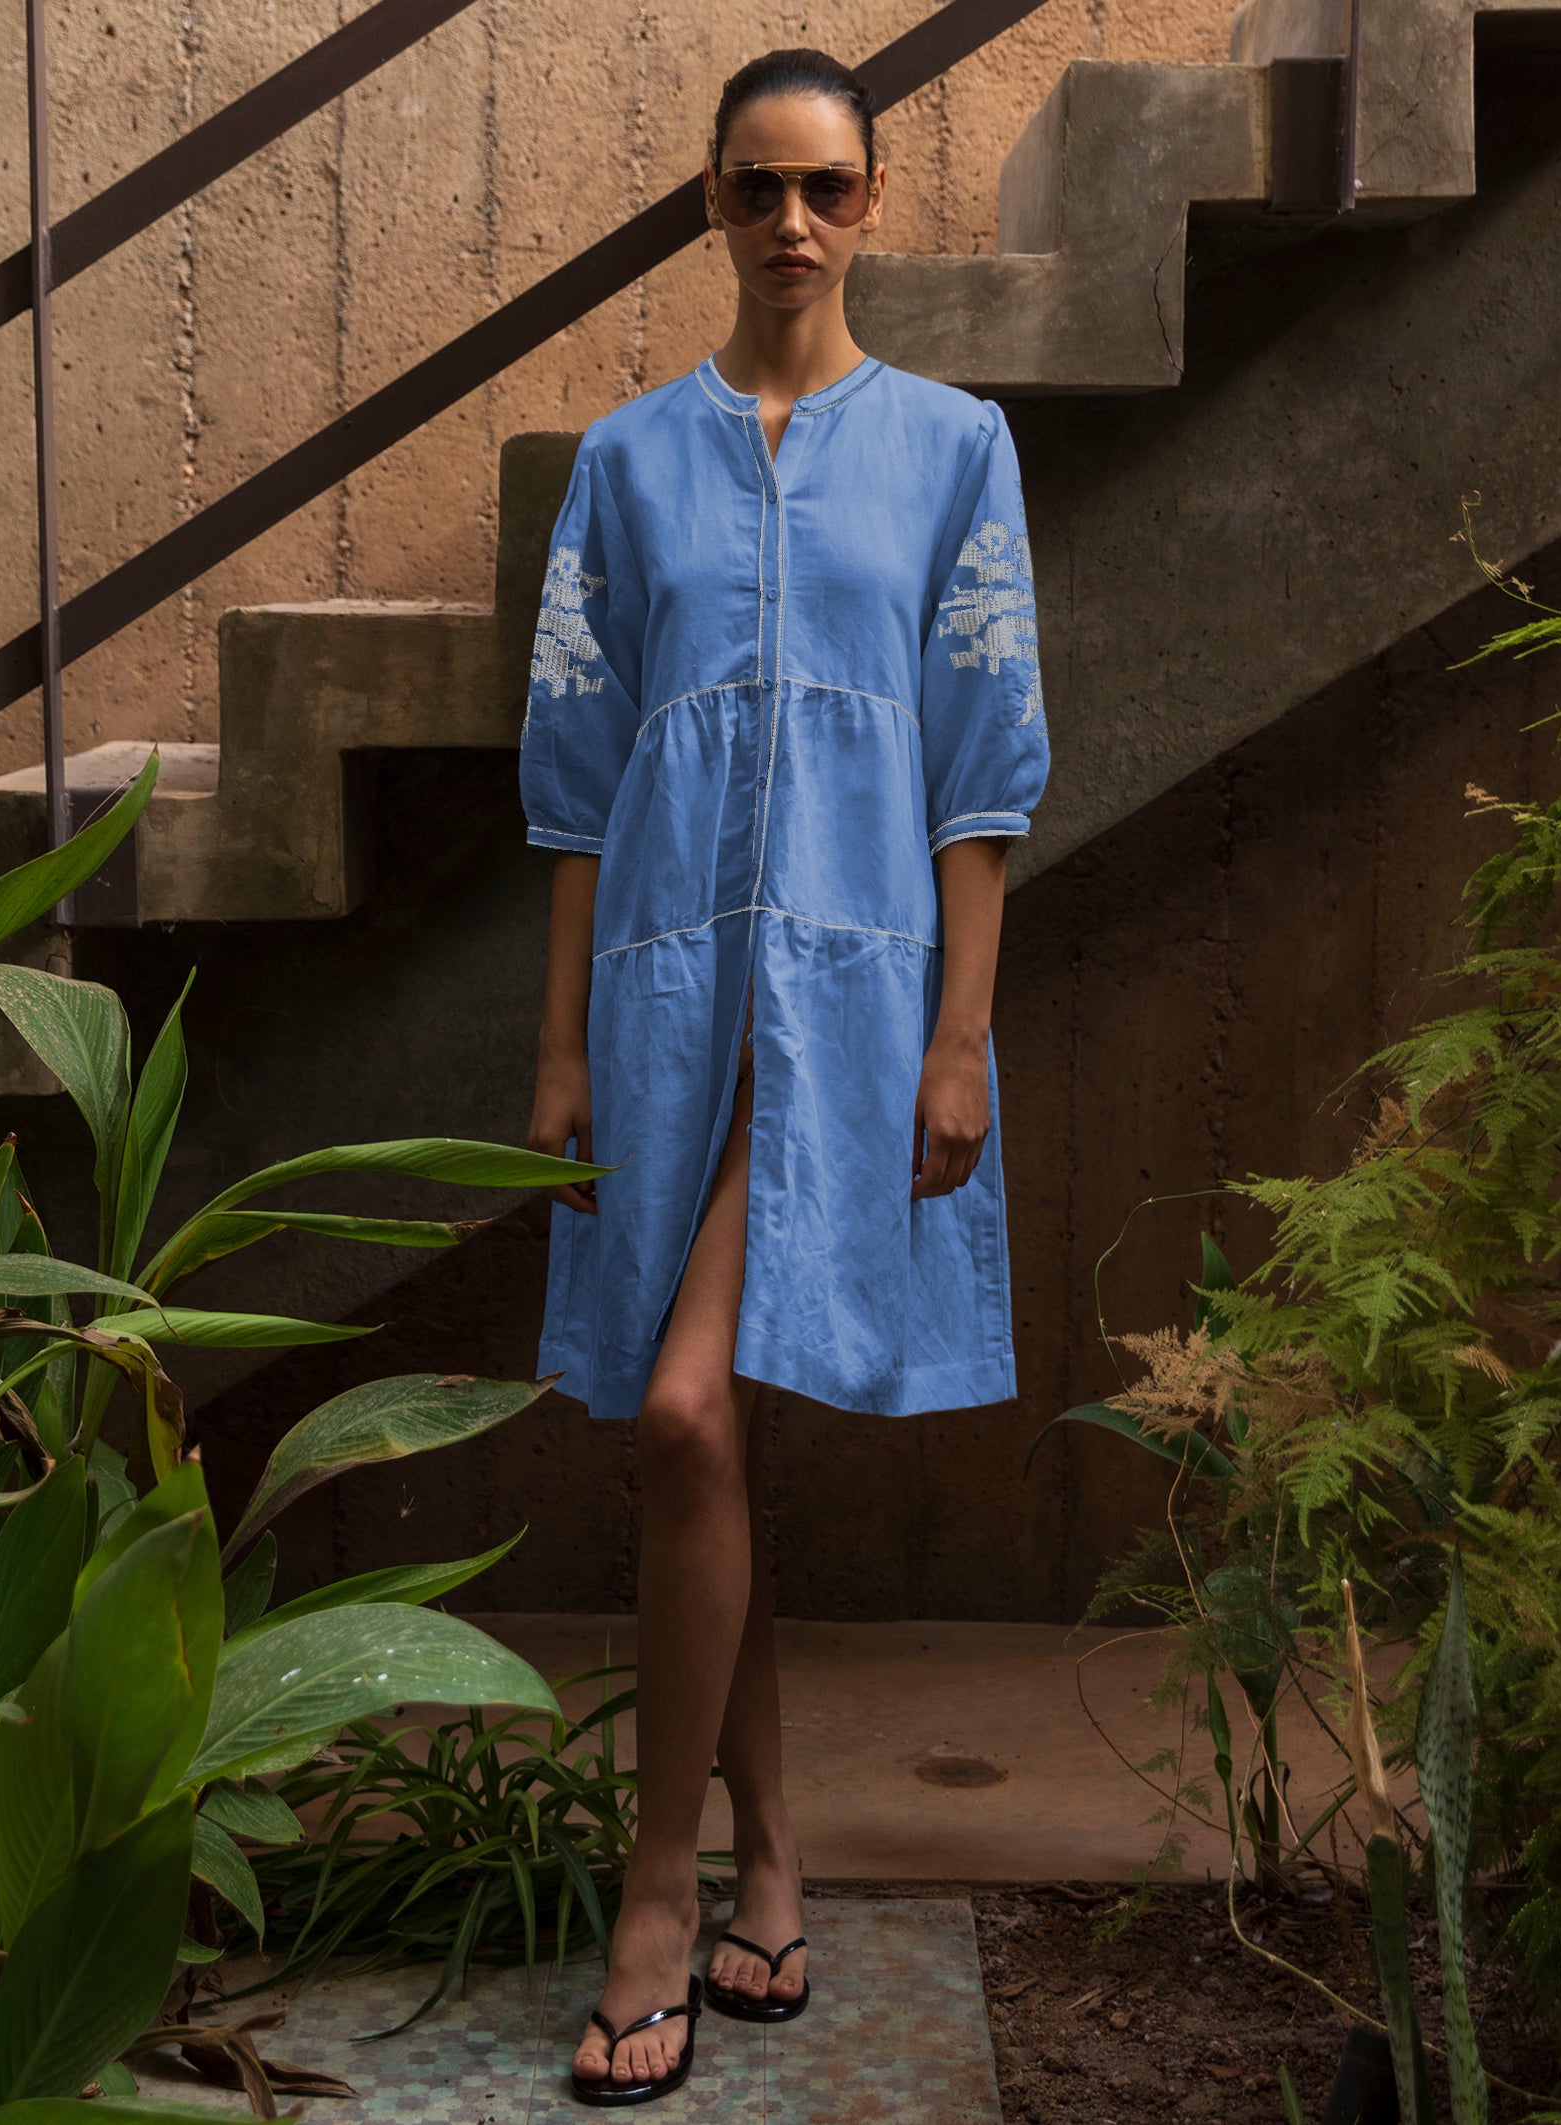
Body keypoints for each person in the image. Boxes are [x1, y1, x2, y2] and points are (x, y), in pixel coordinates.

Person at [520, 45, 1050, 2105]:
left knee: (678, 1415)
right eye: (756, 188)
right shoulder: (623, 465)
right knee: (707, 1437)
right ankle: (769, 1858)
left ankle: (655, 1890)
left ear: (874, 197)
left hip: (850, 1009)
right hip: (664, 1006)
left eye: (824, 186)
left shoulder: (952, 450)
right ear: (710, 205)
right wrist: (559, 1045)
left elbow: (982, 769)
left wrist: (957, 1038)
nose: (792, 223)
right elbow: (574, 787)